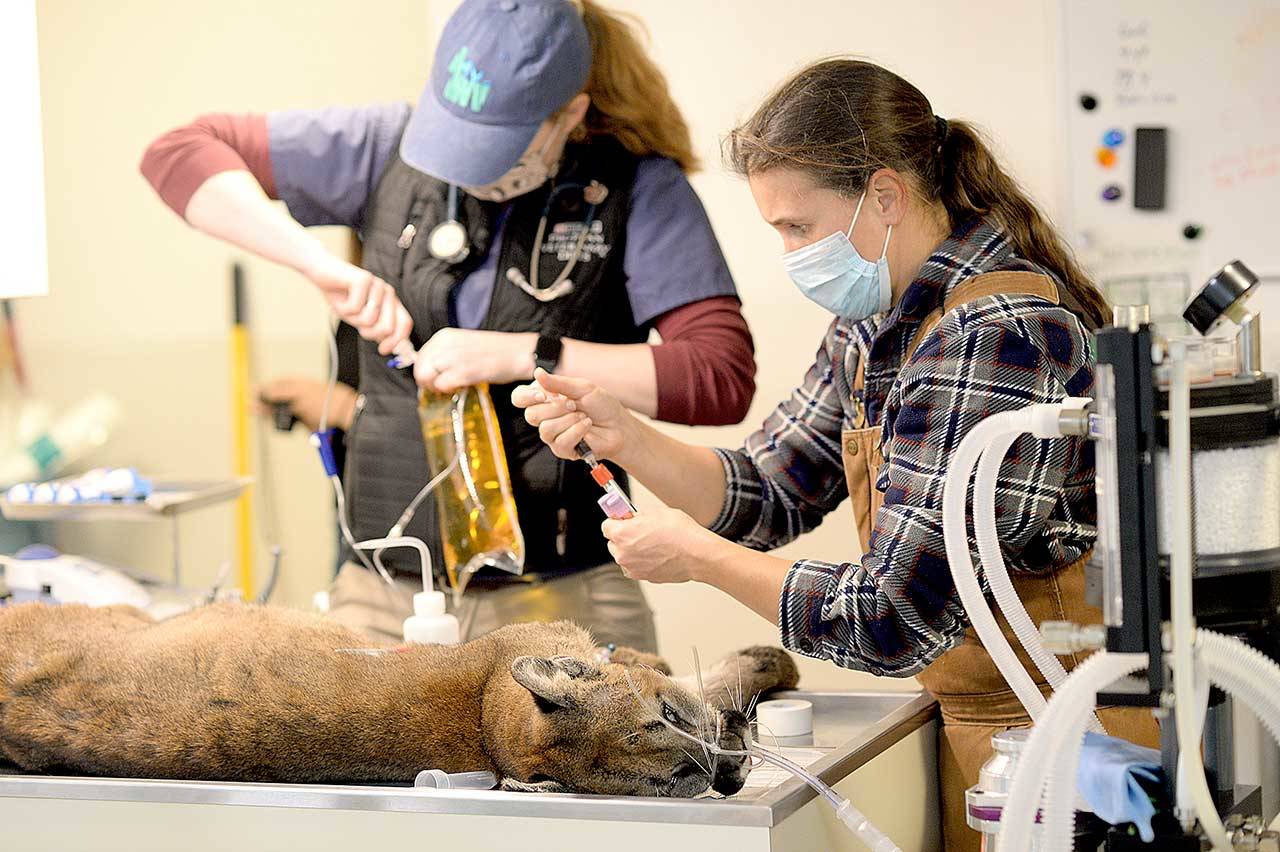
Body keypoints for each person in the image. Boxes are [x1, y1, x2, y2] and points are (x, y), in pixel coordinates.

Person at [515, 58, 1158, 850]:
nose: (790, 254)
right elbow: (768, 491)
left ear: (883, 196)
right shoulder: (872, 324)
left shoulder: (994, 335)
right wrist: (629, 436)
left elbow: (892, 617)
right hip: (993, 734)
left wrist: (700, 560)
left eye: (798, 227)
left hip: (1084, 739)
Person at [140, 0, 756, 653]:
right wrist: (315, 264)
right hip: (380, 594)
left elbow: (719, 377)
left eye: (495, 149)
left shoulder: (635, 188)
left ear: (569, 116)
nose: (467, 171)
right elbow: (177, 153)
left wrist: (526, 353)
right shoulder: (385, 145)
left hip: (565, 600)